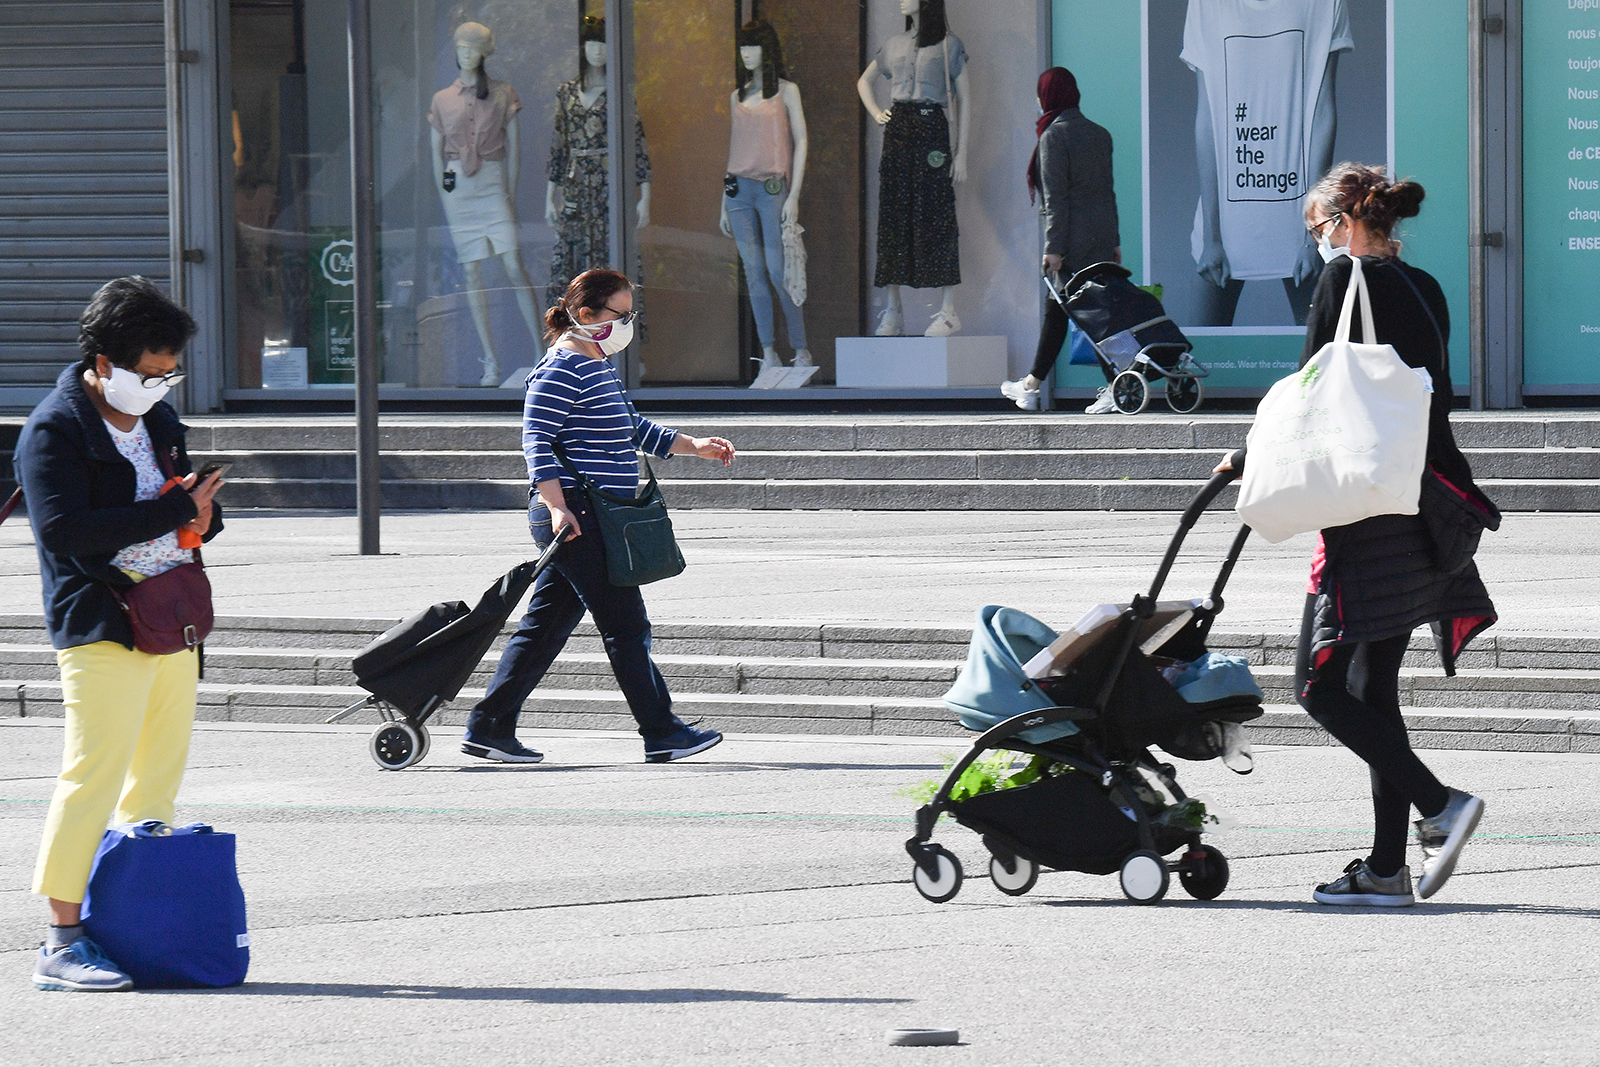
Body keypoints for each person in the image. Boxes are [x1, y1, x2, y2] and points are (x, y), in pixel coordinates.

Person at [1217, 164, 1494, 907]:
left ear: (1342, 222)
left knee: (1318, 685)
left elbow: (1310, 395)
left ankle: (1442, 804)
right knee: (1374, 686)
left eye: (1317, 231)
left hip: (1367, 515)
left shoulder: (1345, 282)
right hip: (1426, 503)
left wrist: (1244, 458)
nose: (1316, 247)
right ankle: (1384, 869)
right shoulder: (1425, 288)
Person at [13, 277, 225, 990]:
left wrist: (199, 511)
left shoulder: (159, 420)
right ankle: (60, 941)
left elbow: (188, 507)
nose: (159, 388)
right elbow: (66, 533)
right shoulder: (56, 427)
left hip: (171, 614)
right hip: (101, 620)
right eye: (147, 374)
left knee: (158, 775)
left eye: (169, 374)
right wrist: (172, 513)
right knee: (91, 774)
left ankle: (131, 923)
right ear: (103, 362)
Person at [462, 268, 735, 765]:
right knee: (626, 624)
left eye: (632, 313)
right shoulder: (562, 367)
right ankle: (661, 730)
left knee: (545, 626)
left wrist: (695, 446)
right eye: (621, 313)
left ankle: (490, 725)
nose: (628, 322)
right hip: (575, 514)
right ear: (586, 315)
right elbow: (535, 440)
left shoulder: (596, 363)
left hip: (591, 514)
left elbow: (632, 427)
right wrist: (555, 504)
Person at [1000, 67, 1120, 413]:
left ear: (1048, 97)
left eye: (1041, 94)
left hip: (1069, 243)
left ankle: (1113, 384)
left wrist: (1053, 248)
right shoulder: (1100, 134)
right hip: (1099, 238)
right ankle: (1031, 386)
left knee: (1086, 315)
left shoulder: (1053, 137)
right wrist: (1114, 240)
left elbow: (1056, 199)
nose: (1038, 101)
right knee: (1070, 312)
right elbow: (1106, 193)